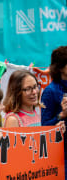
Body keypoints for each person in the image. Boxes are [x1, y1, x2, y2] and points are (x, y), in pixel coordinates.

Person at [41, 46, 67, 178]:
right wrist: (61, 115)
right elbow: (44, 126)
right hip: (61, 156)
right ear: (61, 67)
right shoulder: (50, 91)